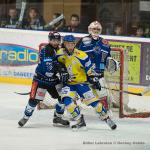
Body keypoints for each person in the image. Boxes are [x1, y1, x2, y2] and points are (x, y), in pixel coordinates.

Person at [56, 34, 117, 130]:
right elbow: (56, 63)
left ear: (74, 44)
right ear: (64, 44)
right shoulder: (59, 54)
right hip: (69, 84)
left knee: (94, 103)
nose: (70, 46)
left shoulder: (82, 55)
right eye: (68, 44)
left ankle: (106, 118)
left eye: (72, 44)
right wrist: (60, 70)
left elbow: (90, 69)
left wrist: (94, 79)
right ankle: (80, 121)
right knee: (67, 101)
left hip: (81, 83)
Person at [76, 21, 134, 112]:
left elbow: (107, 58)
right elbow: (75, 56)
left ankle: (104, 111)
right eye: (94, 29)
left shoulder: (105, 43)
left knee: (103, 95)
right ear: (89, 29)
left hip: (98, 74)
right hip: (83, 74)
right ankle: (72, 109)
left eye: (98, 29)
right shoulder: (83, 41)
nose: (95, 31)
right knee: (75, 92)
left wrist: (112, 64)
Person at [18, 31, 69, 127]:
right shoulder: (46, 50)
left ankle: (57, 117)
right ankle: (25, 117)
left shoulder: (60, 50)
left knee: (64, 97)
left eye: (57, 40)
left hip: (53, 81)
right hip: (41, 80)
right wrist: (61, 69)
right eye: (53, 40)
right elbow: (48, 66)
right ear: (49, 40)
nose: (55, 42)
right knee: (34, 100)